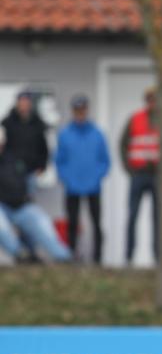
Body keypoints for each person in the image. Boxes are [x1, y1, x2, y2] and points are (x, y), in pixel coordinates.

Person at [120, 87, 162, 263]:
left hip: (158, 176)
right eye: (150, 99)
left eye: (156, 100)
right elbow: (123, 144)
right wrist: (129, 168)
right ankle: (129, 255)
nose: (153, 103)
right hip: (138, 174)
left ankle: (158, 257)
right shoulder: (135, 118)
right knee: (133, 215)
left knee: (159, 218)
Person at [0, 127, 71, 263]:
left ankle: (64, 256)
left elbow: (30, 177)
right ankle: (21, 254)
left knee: (42, 223)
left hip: (22, 205)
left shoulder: (16, 159)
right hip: (2, 207)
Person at [54, 95, 109, 263]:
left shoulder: (97, 134)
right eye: (77, 111)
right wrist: (67, 179)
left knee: (96, 222)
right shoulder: (65, 135)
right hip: (72, 187)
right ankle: (71, 255)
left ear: (87, 110)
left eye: (82, 110)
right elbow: (59, 161)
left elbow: (105, 161)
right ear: (73, 112)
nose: (80, 114)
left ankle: (98, 258)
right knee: (72, 222)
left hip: (93, 187)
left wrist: (96, 177)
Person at [1, 90, 48, 176]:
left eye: (26, 102)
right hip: (11, 170)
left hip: (32, 169)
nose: (24, 105)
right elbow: (3, 146)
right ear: (17, 103)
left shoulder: (37, 123)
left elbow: (43, 146)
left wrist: (42, 165)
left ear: (30, 104)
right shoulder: (7, 123)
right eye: (22, 102)